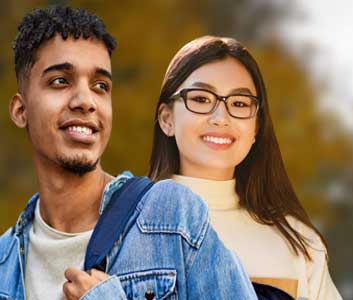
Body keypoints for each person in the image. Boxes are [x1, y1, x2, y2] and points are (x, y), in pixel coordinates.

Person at [0, 6, 257, 299]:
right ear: (21, 111)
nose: (86, 101)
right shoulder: (4, 264)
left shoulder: (172, 218)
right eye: (60, 81)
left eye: (100, 86)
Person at [149, 35, 342, 299]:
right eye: (202, 99)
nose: (221, 118)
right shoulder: (123, 225)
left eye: (239, 103)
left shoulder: (300, 244)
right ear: (166, 118)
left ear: (256, 128)